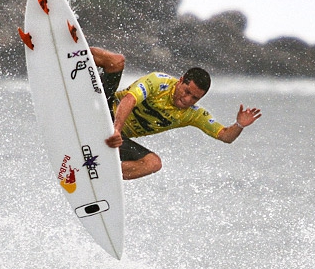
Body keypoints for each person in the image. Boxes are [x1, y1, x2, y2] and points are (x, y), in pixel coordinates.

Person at [91, 47, 262, 180]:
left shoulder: (192, 114)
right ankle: (70, 53)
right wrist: (117, 129)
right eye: (187, 92)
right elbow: (130, 99)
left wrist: (239, 125)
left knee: (153, 163)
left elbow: (225, 136)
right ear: (180, 81)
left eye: (195, 98)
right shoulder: (158, 82)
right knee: (117, 61)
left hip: (114, 138)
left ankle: (99, 174)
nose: (187, 100)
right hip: (102, 110)